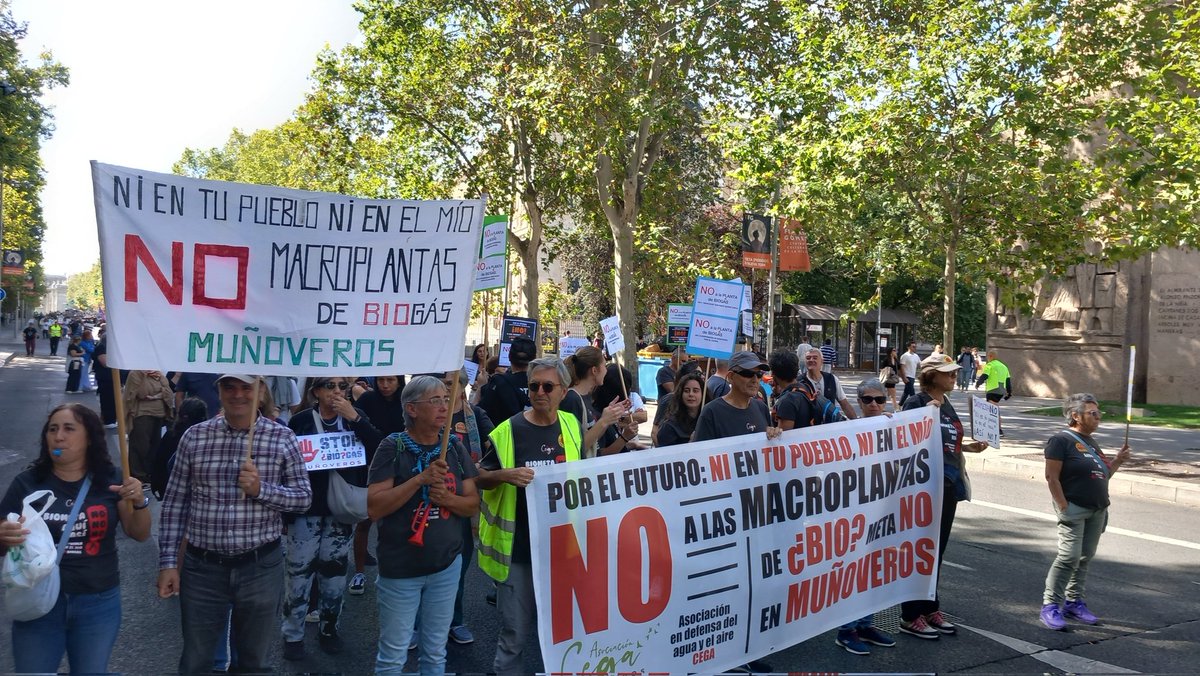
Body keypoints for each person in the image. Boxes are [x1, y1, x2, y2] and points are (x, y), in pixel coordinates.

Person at [157, 374, 313, 675]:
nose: (238, 394)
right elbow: (175, 504)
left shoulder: (283, 438)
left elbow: (303, 499)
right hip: (202, 568)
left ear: (261, 391)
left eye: (246, 387)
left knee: (254, 663)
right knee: (196, 661)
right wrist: (168, 563)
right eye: (229, 387)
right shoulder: (194, 437)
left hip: (260, 567)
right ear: (219, 391)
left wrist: (261, 490)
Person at [0, 404, 152, 673]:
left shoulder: (113, 480)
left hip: (98, 602)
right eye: (52, 429)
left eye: (69, 429)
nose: (58, 437)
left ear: (90, 438)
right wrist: (4, 534)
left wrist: (139, 501)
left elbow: (139, 533)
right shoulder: (27, 482)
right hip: (38, 599)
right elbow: (4, 537)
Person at [477, 357, 583, 675]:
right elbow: (479, 477)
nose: (539, 392)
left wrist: (614, 428)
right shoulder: (508, 431)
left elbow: (585, 468)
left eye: (548, 386)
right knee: (515, 632)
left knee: (564, 631)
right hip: (519, 552)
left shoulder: (571, 424)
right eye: (534, 386)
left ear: (563, 391)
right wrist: (505, 474)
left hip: (562, 549)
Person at [367, 375, 479, 675]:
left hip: (446, 566)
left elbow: (472, 504)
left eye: (446, 399)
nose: (444, 407)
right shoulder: (392, 447)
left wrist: (448, 499)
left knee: (435, 653)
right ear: (412, 409)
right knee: (393, 656)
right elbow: (375, 507)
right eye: (435, 401)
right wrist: (420, 480)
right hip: (401, 568)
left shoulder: (453, 447)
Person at [283, 376, 383, 654]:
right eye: (329, 386)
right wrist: (284, 515)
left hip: (341, 510)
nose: (337, 391)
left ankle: (329, 629)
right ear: (315, 391)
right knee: (298, 574)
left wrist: (355, 419)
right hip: (305, 509)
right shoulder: (301, 421)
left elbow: (379, 448)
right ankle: (292, 636)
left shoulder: (355, 417)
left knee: (335, 574)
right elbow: (286, 465)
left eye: (342, 386)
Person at [898, 355, 988, 640]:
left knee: (937, 550)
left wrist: (971, 447)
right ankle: (910, 614)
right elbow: (904, 441)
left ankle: (930, 607)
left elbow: (948, 442)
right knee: (922, 550)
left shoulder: (946, 403)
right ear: (931, 376)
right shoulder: (916, 402)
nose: (954, 376)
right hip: (926, 487)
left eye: (954, 372)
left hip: (949, 484)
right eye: (948, 373)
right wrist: (925, 417)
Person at [1039, 393, 1131, 630]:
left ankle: (1073, 602)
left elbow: (1103, 475)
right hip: (1074, 508)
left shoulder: (1091, 442)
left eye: (1099, 412)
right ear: (1075, 416)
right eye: (1093, 413)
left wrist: (1118, 461)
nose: (1098, 417)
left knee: (1084, 557)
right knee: (1068, 557)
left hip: (1097, 509)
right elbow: (1051, 477)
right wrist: (1063, 505)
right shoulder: (1061, 440)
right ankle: (1050, 605)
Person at [832, 378, 899, 654]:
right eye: (868, 400)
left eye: (879, 400)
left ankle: (865, 624)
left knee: (874, 570)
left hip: (881, 513)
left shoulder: (893, 428)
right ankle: (846, 630)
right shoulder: (848, 431)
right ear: (859, 403)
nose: (874, 404)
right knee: (854, 571)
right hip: (854, 515)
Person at [693, 351, 782, 443]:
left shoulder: (762, 408)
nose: (755, 380)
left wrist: (773, 435)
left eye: (759, 374)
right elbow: (701, 450)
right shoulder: (711, 412)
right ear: (731, 377)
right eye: (748, 373)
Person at [562, 346, 629, 457]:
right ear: (594, 370)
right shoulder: (572, 399)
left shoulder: (586, 397)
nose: (606, 371)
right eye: (604, 366)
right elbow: (575, 447)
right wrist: (604, 421)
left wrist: (610, 416)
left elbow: (594, 438)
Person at [123, 369, 175, 483]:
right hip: (142, 414)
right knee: (141, 446)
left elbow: (168, 392)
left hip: (159, 414)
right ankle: (138, 474)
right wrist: (159, 393)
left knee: (155, 445)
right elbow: (142, 393)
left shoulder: (158, 374)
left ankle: (150, 472)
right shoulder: (136, 374)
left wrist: (156, 396)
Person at [478, 337, 535, 426]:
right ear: (534, 358)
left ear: (509, 357)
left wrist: (481, 386)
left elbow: (478, 415)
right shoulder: (546, 386)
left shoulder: (497, 383)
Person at [801, 348, 857, 420]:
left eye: (815, 358)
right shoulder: (799, 382)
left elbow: (845, 404)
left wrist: (855, 422)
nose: (811, 360)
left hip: (829, 424)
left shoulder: (832, 379)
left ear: (822, 361)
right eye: (808, 358)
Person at [656, 370, 704, 447]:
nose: (691, 394)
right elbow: (664, 453)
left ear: (703, 393)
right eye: (686, 391)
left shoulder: (708, 420)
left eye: (695, 391)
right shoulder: (670, 425)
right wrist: (690, 444)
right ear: (681, 394)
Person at [898, 342, 921, 406]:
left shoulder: (916, 356)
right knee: (912, 392)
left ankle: (900, 405)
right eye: (913, 346)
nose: (914, 348)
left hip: (913, 376)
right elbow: (902, 367)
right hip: (907, 376)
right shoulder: (905, 356)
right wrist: (904, 377)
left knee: (906, 392)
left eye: (915, 347)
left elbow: (920, 364)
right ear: (908, 347)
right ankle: (916, 405)